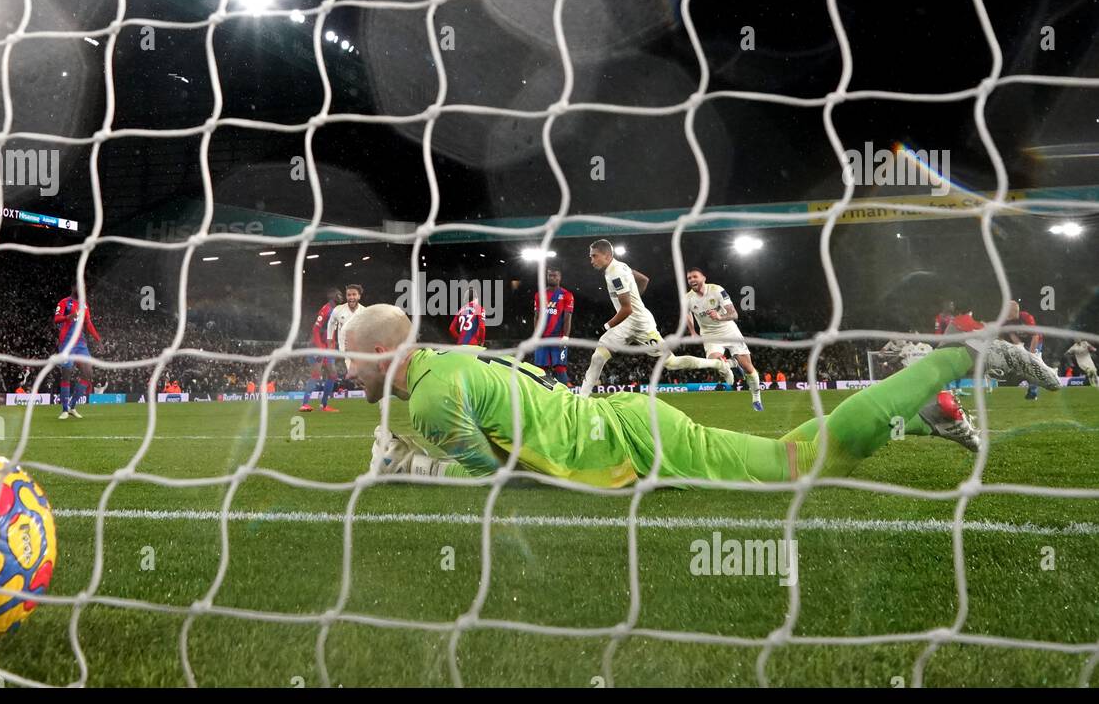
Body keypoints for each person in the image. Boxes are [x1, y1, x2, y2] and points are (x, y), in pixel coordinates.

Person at [343, 304, 1060, 487]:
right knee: (796, 454)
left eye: (347, 358)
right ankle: (924, 409)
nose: (343, 370)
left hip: (627, 441)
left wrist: (410, 465)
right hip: (619, 423)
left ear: (379, 355)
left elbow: (496, 480)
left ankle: (958, 359)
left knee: (799, 465)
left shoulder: (430, 398)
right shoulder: (445, 363)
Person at [579, 240, 731, 397]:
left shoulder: (615, 273)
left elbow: (627, 309)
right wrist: (636, 299)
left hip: (642, 325)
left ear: (607, 255)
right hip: (625, 324)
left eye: (594, 256)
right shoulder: (621, 267)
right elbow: (644, 280)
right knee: (598, 357)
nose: (591, 260)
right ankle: (583, 397)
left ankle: (719, 365)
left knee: (671, 363)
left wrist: (603, 327)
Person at [684, 266, 762, 411]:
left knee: (748, 368)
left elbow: (734, 314)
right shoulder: (687, 298)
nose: (691, 280)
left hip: (729, 330)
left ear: (703, 278)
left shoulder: (717, 290)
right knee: (715, 363)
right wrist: (693, 332)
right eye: (689, 278)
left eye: (695, 276)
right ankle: (732, 365)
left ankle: (756, 397)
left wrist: (720, 316)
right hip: (709, 334)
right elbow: (687, 315)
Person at [53, 290, 102, 419]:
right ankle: (64, 410)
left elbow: (88, 323)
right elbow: (56, 319)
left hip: (81, 344)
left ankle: (72, 407)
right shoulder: (64, 302)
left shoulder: (84, 305)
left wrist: (97, 339)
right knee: (67, 373)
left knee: (88, 373)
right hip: (67, 343)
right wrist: (67, 317)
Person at [532, 266, 575, 385]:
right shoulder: (539, 295)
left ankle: (565, 392)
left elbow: (567, 317)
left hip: (558, 337)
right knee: (540, 369)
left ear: (559, 277)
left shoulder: (567, 295)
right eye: (550, 275)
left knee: (560, 367)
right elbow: (536, 316)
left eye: (555, 275)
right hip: (543, 337)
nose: (552, 278)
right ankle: (541, 392)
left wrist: (565, 337)